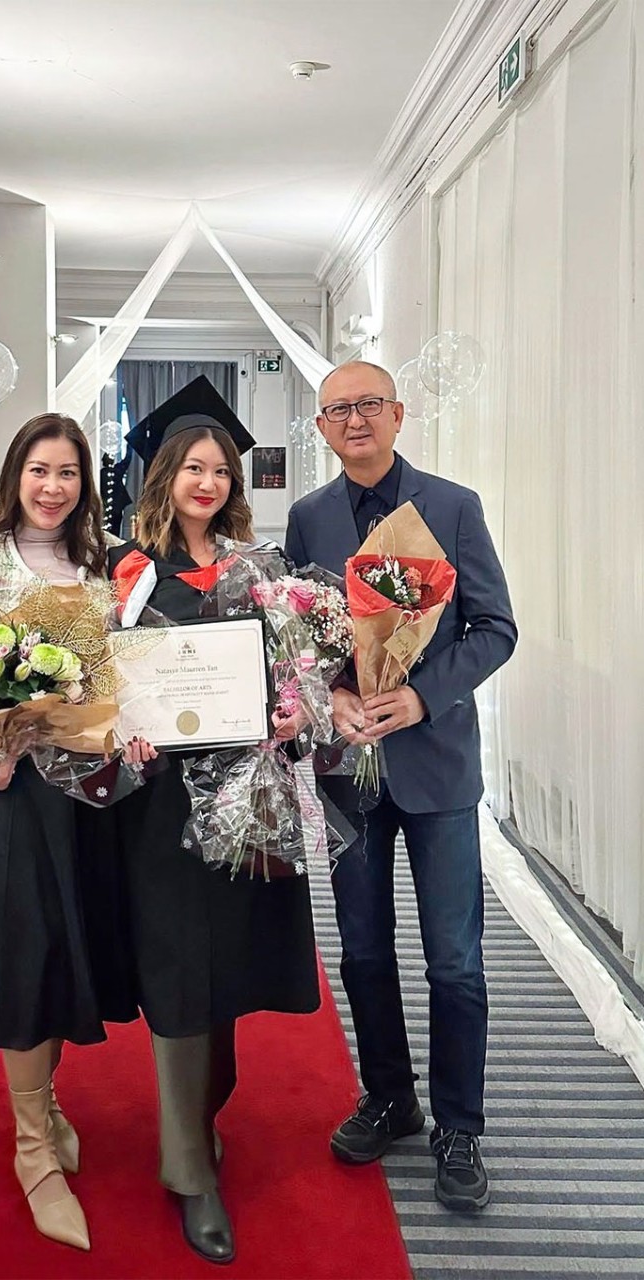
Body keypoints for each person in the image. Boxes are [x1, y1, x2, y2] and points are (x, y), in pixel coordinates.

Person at [285, 361, 517, 1213]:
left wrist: (419, 695)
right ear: (320, 428)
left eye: (368, 406)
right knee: (362, 950)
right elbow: (298, 634)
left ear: (398, 414)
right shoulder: (308, 517)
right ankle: (391, 1097)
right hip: (348, 767)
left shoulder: (451, 507)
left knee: (454, 962)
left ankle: (461, 1125)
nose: (354, 420)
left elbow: (495, 629)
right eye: (337, 410)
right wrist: (333, 694)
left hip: (438, 768)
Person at [112, 391, 320, 1264]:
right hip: (160, 808)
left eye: (221, 469)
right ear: (166, 475)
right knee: (178, 974)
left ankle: (204, 1114)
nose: (208, 479)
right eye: (193, 466)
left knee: (228, 968)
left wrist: (290, 712)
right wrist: (114, 725)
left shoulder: (255, 566)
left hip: (246, 800)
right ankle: (190, 1173)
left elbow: (294, 672)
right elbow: (97, 686)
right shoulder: (126, 571)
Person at [0, 413, 138, 1251]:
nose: (53, 488)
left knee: (60, 955)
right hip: (8, 794)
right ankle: (31, 1146)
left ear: (86, 485)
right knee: (20, 958)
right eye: (40, 471)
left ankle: (44, 1103)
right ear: (16, 474)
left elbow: (120, 672)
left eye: (70, 474)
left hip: (82, 797)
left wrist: (128, 727)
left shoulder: (101, 567)